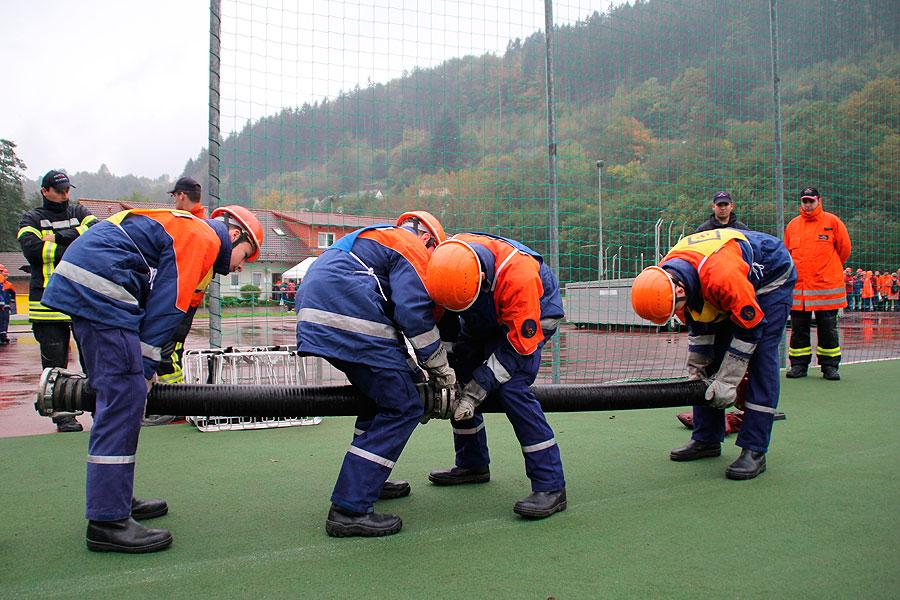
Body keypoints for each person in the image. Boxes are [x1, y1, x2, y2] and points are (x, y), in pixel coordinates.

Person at [41, 205, 263, 553]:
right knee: (124, 397)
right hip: (104, 288)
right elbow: (167, 306)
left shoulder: (188, 231)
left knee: (114, 399)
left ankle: (114, 497)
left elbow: (173, 309)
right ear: (235, 235)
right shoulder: (202, 237)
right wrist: (142, 374)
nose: (239, 266)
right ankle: (107, 521)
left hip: (91, 282)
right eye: (246, 256)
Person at [295, 211, 454, 538]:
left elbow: (393, 336)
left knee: (378, 399)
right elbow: (413, 313)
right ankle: (349, 509)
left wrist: (416, 372)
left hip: (323, 311)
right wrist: (440, 368)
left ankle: (368, 480)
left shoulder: (378, 240)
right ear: (430, 241)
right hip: (349, 315)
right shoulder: (412, 248)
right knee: (403, 405)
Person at [631, 228, 796, 480]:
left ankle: (755, 449)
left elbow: (750, 330)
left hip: (770, 279)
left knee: (762, 357)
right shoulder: (667, 278)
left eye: (677, 308)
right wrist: (696, 371)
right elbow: (700, 327)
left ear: (678, 291)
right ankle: (706, 437)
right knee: (711, 363)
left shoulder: (722, 277)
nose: (677, 313)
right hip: (725, 277)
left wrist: (728, 382)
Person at [424, 233, 567, 518]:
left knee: (512, 389)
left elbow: (517, 348)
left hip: (531, 317)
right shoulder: (449, 263)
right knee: (461, 375)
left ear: (482, 280)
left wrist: (477, 391)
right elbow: (449, 324)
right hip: (484, 312)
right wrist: (444, 374)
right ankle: (472, 464)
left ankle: (551, 486)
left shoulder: (520, 278)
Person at [17, 170, 98, 431]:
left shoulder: (79, 211)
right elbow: (33, 250)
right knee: (54, 364)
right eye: (60, 190)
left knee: (93, 360)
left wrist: (57, 238)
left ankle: (100, 409)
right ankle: (63, 413)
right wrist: (75, 241)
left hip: (81, 299)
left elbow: (96, 235)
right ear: (45, 191)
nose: (65, 194)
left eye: (67, 189)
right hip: (47, 305)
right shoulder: (31, 218)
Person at [144, 177, 208, 426]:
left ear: (181, 196)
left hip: (181, 299)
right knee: (169, 351)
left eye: (174, 197)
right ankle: (173, 402)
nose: (174, 201)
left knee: (167, 352)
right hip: (185, 298)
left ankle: (176, 404)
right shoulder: (200, 221)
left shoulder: (190, 223)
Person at [784, 188, 851, 381]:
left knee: (828, 328)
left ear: (819, 201)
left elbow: (844, 250)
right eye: (804, 200)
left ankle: (829, 366)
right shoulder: (793, 225)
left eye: (811, 201)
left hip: (825, 287)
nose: (807, 204)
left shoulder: (832, 222)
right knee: (798, 328)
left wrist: (828, 269)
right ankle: (798, 365)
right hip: (800, 288)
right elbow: (788, 252)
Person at [0, 265, 14, 345]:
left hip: (5, 306)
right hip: (2, 305)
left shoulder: (8, 284)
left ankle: (3, 336)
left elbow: (13, 294)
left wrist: (10, 303)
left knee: (4, 321)